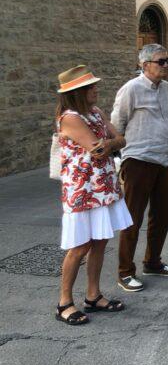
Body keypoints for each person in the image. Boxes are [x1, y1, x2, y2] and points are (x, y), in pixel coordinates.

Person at [55, 65, 132, 325]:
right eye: (91, 87)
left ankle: (93, 295)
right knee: (80, 246)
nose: (96, 89)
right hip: (83, 190)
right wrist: (111, 143)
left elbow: (120, 139)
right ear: (78, 92)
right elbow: (98, 149)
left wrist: (111, 143)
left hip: (103, 187)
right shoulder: (70, 118)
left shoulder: (95, 112)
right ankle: (64, 302)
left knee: (100, 241)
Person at [111, 44, 168, 293]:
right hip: (139, 160)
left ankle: (153, 262)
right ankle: (125, 272)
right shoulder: (131, 89)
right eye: (161, 61)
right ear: (145, 64)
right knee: (132, 218)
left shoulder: (166, 88)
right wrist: (120, 156)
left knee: (161, 215)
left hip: (165, 159)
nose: (166, 65)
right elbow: (117, 124)